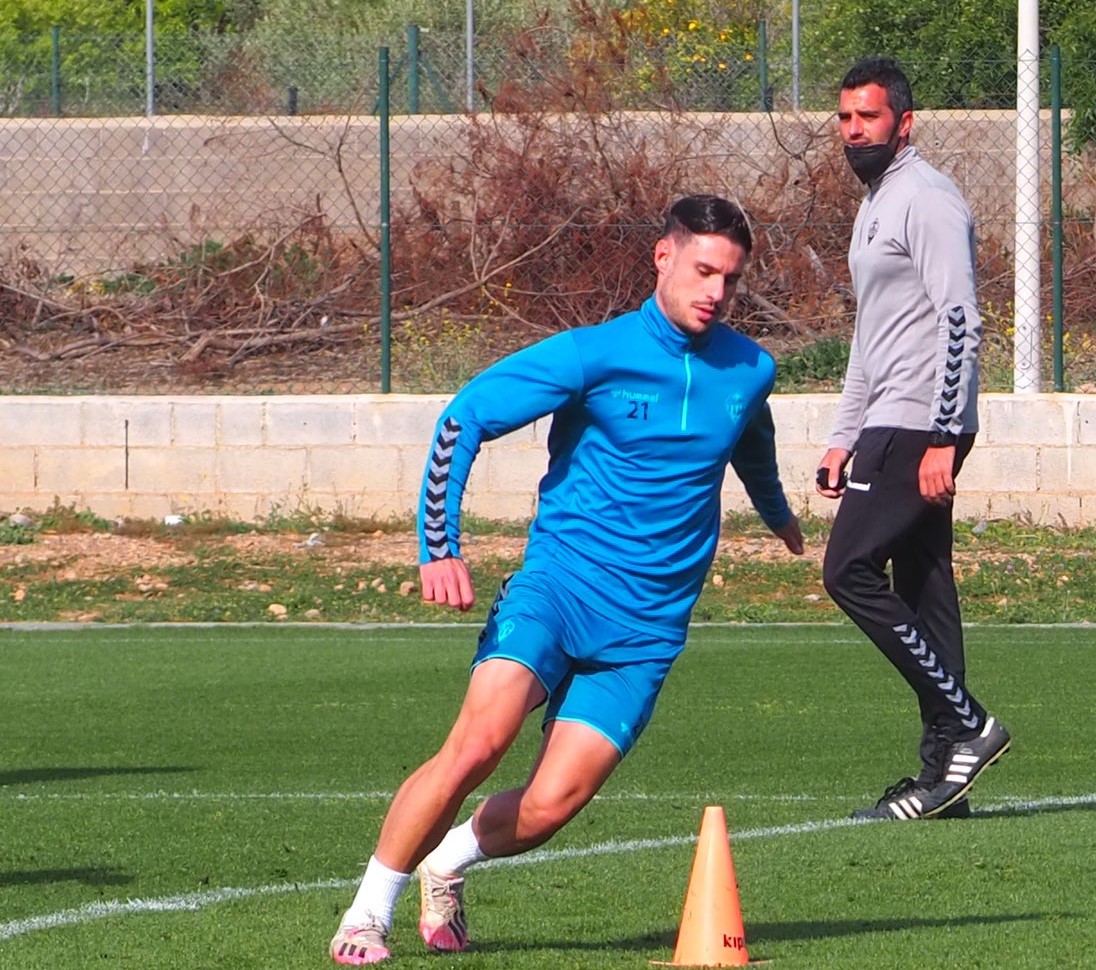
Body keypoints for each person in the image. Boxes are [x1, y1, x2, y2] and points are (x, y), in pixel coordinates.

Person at [329, 194, 804, 965]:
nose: (715, 291)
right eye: (703, 270)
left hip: (648, 629)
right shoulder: (593, 354)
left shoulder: (750, 369)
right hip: (560, 590)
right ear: (664, 257)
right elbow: (466, 416)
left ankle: (446, 863)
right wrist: (440, 544)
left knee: (554, 803)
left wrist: (778, 513)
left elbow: (750, 438)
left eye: (732, 279)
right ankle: (366, 913)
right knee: (480, 743)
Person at [817, 57, 1009, 822]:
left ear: (904, 122)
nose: (853, 131)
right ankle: (944, 780)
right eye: (844, 118)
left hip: (918, 420)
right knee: (924, 584)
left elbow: (960, 318)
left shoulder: (925, 198)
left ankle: (967, 722)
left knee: (848, 571)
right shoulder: (876, 203)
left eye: (867, 117)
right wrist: (842, 436)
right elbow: (872, 335)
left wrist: (943, 433)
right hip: (886, 419)